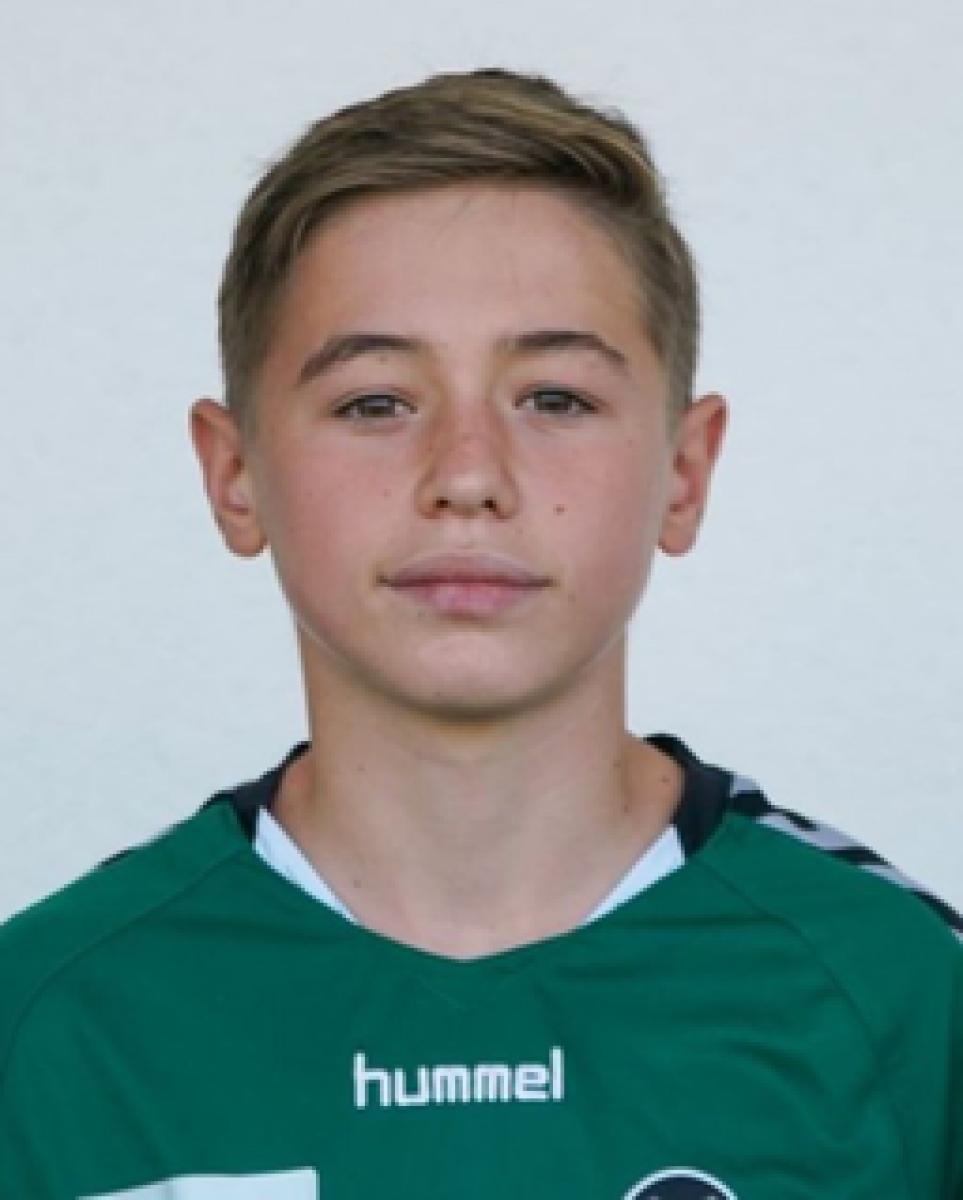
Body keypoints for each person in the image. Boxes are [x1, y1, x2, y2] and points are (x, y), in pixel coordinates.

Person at [0, 68, 959, 1200]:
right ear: (234, 474)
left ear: (684, 471)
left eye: (555, 398)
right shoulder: (45, 1022)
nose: (467, 475)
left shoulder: (906, 994)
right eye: (374, 402)